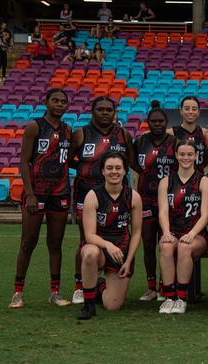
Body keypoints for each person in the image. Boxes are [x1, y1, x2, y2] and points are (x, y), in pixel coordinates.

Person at [9, 89, 73, 309]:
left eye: (63, 101)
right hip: (37, 193)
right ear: (46, 102)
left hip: (60, 192)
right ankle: (18, 292)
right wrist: (30, 193)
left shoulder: (67, 130)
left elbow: (68, 160)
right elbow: (24, 162)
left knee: (55, 243)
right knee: (28, 242)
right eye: (55, 100)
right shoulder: (35, 126)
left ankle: (54, 292)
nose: (59, 104)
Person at [71, 97, 135, 304]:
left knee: (119, 231)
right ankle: (80, 285)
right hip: (86, 194)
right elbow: (68, 159)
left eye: (110, 109)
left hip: (118, 194)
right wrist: (86, 172)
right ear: (92, 111)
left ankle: (105, 279)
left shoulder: (123, 134)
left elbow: (132, 161)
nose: (105, 113)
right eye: (101, 109)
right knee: (86, 240)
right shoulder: (81, 133)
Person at [77, 152, 142, 320]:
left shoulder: (133, 197)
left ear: (124, 171)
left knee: (113, 306)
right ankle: (88, 304)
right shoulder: (93, 196)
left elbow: (136, 232)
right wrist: (107, 245)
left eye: (118, 168)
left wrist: (128, 261)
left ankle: (100, 287)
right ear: (103, 171)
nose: (114, 172)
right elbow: (89, 235)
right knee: (90, 253)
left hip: (121, 250)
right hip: (99, 246)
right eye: (110, 168)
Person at [157, 140, 208, 314]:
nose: (186, 157)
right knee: (166, 246)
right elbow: (163, 211)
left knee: (184, 246)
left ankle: (181, 297)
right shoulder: (166, 181)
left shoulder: (203, 180)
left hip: (197, 234)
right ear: (176, 155)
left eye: (189, 154)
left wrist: (192, 233)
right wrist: (166, 232)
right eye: (182, 154)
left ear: (196, 156)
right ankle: (169, 296)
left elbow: (205, 214)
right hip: (174, 231)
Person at [132, 102, 176, 301]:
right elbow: (131, 161)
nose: (157, 124)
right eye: (153, 121)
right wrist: (145, 174)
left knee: (165, 242)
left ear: (166, 123)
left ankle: (163, 284)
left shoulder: (174, 142)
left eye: (161, 121)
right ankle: (151, 286)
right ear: (147, 122)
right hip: (146, 198)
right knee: (148, 242)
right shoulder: (141, 141)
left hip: (168, 199)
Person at [167, 96, 208, 175]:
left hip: (198, 181)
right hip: (177, 182)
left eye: (194, 109)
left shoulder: (204, 133)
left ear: (198, 112)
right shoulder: (172, 133)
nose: (190, 112)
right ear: (181, 111)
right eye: (187, 109)